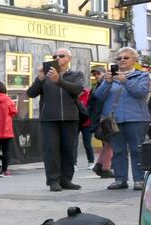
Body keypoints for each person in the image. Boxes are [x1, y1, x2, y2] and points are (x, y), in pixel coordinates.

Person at [26, 48, 84, 192]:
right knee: (51, 150)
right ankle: (53, 180)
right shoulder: (45, 76)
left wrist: (59, 81)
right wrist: (39, 78)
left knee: (69, 150)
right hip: (49, 119)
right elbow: (31, 93)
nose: (57, 58)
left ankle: (66, 180)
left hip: (70, 118)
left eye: (61, 56)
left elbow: (77, 89)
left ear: (68, 58)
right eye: (54, 56)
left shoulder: (76, 74)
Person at [93, 47, 150, 190]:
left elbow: (140, 92)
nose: (122, 60)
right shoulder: (110, 78)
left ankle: (139, 179)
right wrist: (106, 82)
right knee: (118, 150)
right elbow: (99, 96)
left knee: (137, 150)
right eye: (119, 58)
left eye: (126, 58)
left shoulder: (142, 76)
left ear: (134, 60)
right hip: (114, 119)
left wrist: (125, 81)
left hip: (136, 118)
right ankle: (120, 179)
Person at [89, 66, 114, 178]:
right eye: (95, 74)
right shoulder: (100, 86)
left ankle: (99, 165)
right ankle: (105, 168)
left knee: (107, 143)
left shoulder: (98, 86)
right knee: (110, 143)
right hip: (104, 118)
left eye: (98, 73)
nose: (96, 76)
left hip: (101, 118)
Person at [76, 87, 95, 170]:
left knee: (87, 144)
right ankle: (73, 163)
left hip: (86, 122)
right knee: (73, 144)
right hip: (75, 122)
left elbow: (91, 107)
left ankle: (91, 161)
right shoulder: (72, 94)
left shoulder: (88, 94)